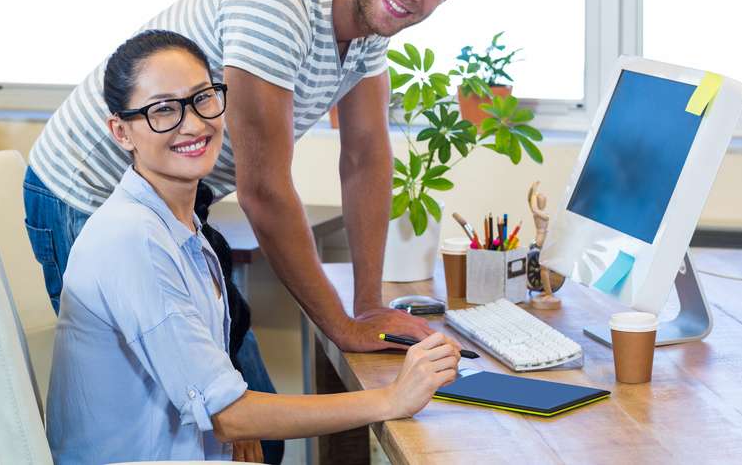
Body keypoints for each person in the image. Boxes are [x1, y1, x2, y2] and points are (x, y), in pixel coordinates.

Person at [24, 0, 492, 461]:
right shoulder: (280, 3)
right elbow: (264, 191)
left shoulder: (370, 19)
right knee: (186, 425)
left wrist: (369, 305)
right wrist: (344, 328)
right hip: (89, 190)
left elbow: (366, 157)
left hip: (174, 203)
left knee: (252, 432)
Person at [47, 29, 460, 464]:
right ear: (121, 132)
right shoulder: (134, 239)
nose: (194, 124)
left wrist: (230, 424)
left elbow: (212, 395)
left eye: (202, 98)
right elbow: (227, 416)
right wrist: (391, 398)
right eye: (163, 109)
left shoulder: (179, 225)